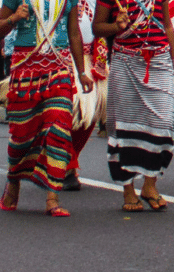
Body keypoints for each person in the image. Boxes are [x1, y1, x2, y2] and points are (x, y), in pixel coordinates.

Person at [0, 0, 94, 217]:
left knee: (59, 129)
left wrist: (81, 72)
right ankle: (13, 181)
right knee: (21, 136)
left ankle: (52, 197)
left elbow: (74, 34)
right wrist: (14, 18)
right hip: (25, 70)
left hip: (59, 69)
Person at [93, 0, 174, 211]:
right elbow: (97, 27)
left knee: (164, 123)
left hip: (160, 61)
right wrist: (116, 26)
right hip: (125, 62)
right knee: (125, 128)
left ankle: (150, 185)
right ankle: (128, 190)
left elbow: (167, 25)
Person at [67, 0, 109, 191]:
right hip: (64, 58)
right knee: (64, 114)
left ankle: (68, 161)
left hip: (94, 60)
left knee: (88, 117)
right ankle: (66, 165)